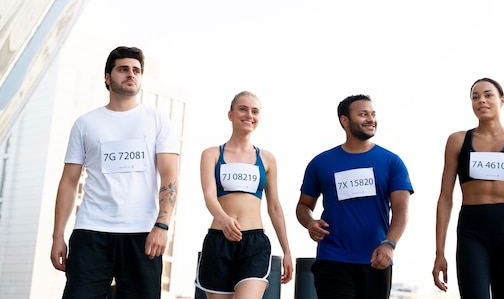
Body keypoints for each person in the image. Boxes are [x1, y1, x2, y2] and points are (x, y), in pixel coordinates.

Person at [50, 46, 180, 299]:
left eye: (136, 70)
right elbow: (68, 182)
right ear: (107, 77)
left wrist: (162, 225)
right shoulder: (85, 123)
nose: (131, 75)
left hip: (143, 233)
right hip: (91, 230)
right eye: (123, 69)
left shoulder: (157, 120)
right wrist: (58, 236)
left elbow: (170, 177)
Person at [296, 94, 413, 299]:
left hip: (376, 259)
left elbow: (402, 210)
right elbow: (303, 206)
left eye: (373, 114)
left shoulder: (392, 162)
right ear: (345, 120)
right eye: (363, 114)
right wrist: (309, 223)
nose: (370, 119)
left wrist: (389, 244)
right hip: (332, 259)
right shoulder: (321, 163)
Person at [432, 77, 504, 298]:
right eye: (475, 97)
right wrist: (439, 252)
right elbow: (445, 197)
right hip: (472, 231)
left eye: (488, 95)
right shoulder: (457, 140)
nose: (481, 100)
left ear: (501, 100)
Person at [195, 91, 293, 298]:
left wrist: (287, 251)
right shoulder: (211, 154)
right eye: (243, 109)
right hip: (219, 241)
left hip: (254, 243)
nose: (249, 115)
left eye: (255, 111)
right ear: (230, 115)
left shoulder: (266, 159)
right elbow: (209, 196)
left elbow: (274, 206)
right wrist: (224, 220)